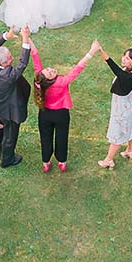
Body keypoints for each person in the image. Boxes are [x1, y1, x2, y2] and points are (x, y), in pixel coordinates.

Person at [32, 41, 97, 172]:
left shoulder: (40, 80)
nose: (51, 69)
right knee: (62, 138)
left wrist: (27, 38)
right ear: (50, 79)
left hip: (44, 114)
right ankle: (62, 162)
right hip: (61, 115)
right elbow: (77, 69)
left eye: (48, 69)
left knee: (45, 137)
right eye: (50, 72)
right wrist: (91, 52)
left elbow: (35, 56)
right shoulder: (61, 82)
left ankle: (46, 162)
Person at [0, 27, 33, 168]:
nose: (13, 59)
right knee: (10, 135)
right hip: (10, 110)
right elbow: (23, 63)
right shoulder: (9, 76)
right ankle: (7, 159)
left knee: (1, 124)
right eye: (10, 58)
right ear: (3, 63)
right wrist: (25, 39)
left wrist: (6, 35)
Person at [95, 29, 132, 168]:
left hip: (122, 106)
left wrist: (100, 50)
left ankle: (109, 160)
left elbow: (113, 66)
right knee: (131, 125)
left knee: (117, 131)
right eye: (124, 56)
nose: (123, 58)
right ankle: (130, 150)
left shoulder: (127, 76)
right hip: (129, 101)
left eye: (127, 58)